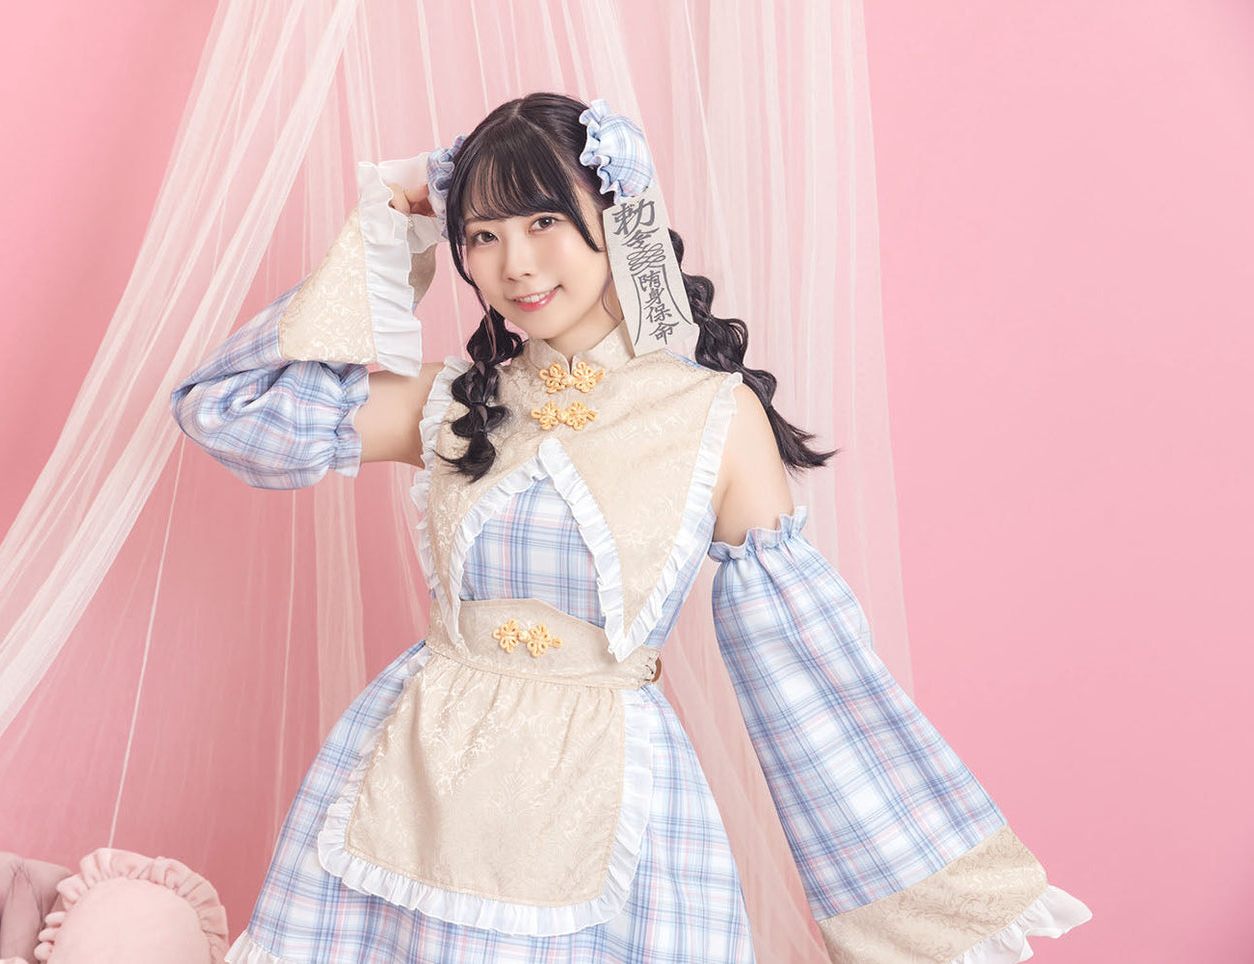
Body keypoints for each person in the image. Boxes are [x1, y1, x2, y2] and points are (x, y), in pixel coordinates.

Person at [171, 92, 1090, 964]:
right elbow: (227, 410)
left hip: (611, 806)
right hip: (414, 785)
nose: (514, 264)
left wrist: (922, 900)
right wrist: (387, 233)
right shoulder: (453, 401)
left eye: (543, 221)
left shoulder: (713, 417)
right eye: (481, 235)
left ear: (621, 218)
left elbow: (802, 670)